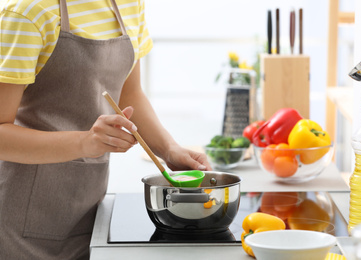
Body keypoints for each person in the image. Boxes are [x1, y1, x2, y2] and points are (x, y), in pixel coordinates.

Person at [0, 0, 211, 259]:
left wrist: (169, 150)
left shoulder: (130, 4)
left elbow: (129, 94)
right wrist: (85, 143)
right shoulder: (28, 12)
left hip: (88, 209)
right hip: (19, 217)